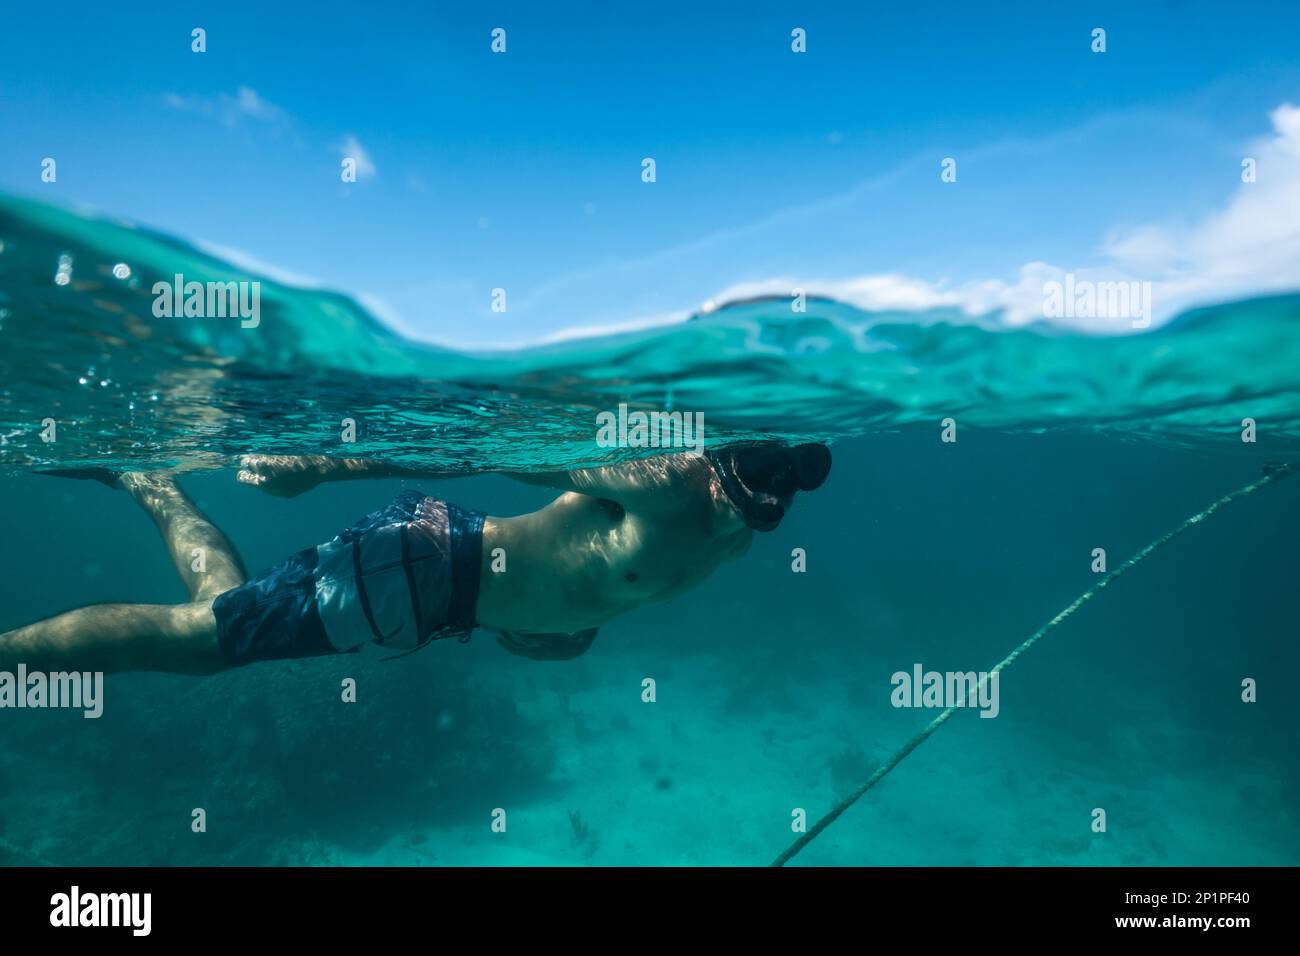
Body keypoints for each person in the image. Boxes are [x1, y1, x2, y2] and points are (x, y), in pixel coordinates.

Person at [0, 443, 831, 674]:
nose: (768, 493)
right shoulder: (673, 478)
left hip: (436, 584)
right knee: (202, 640)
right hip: (428, 571)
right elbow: (489, 445)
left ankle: (153, 486)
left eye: (788, 480)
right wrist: (328, 465)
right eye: (753, 473)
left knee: (223, 620)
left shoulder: (735, 530)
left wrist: (574, 626)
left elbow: (606, 576)